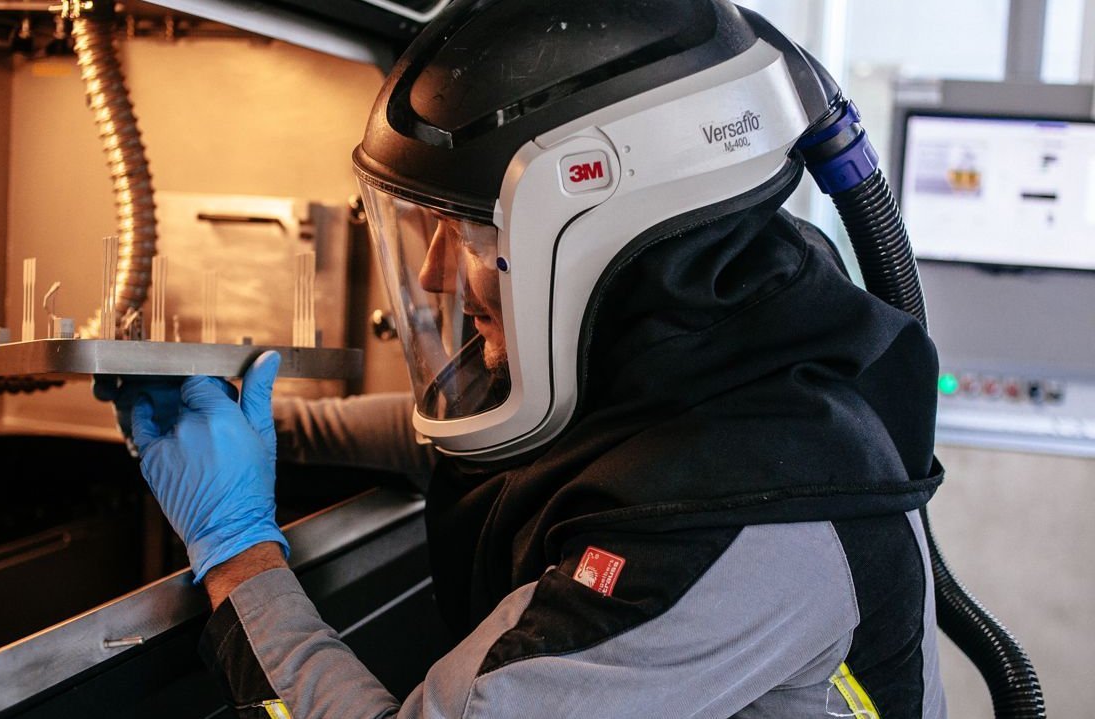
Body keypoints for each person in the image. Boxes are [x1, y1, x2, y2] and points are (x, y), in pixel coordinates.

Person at [119, 1, 949, 716]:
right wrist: (276, 428)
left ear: (602, 236)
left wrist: (236, 552)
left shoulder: (735, 529)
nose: (441, 272)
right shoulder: (702, 333)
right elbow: (527, 440)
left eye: (477, 235)